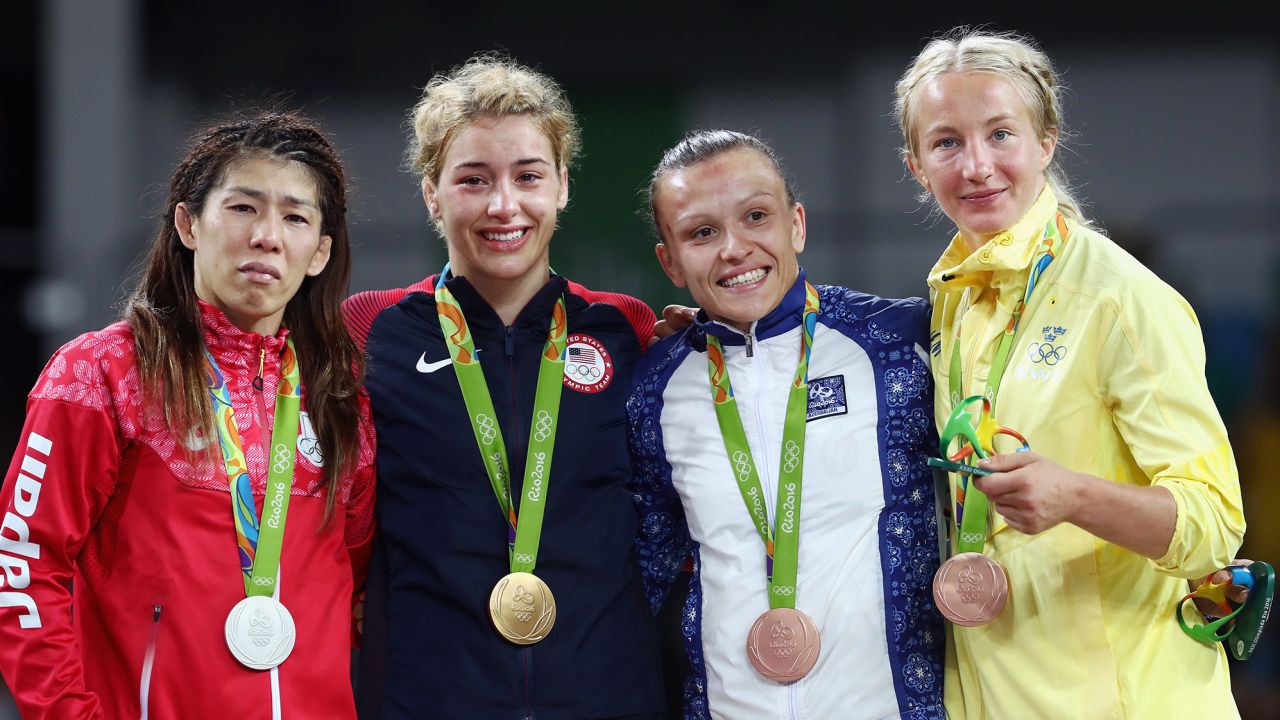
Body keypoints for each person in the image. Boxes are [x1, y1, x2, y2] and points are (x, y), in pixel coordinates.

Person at [894, 28, 1246, 718]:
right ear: (915, 165)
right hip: (999, 693)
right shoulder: (951, 302)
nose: (976, 166)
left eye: (1001, 134)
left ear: (1045, 140)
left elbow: (1214, 524)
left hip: (1126, 701)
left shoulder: (1118, 298)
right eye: (946, 143)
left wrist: (1077, 497)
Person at [0, 110, 376, 718]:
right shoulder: (103, 373)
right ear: (188, 224)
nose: (267, 236)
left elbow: (363, 590)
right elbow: (21, 561)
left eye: (296, 217)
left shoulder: (340, 397)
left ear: (318, 253)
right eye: (243, 207)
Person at [345, 56, 666, 719]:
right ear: (432, 193)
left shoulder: (629, 330)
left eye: (528, 176)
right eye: (473, 180)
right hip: (428, 699)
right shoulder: (368, 331)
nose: (504, 205)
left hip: (609, 697)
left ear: (563, 185)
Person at [629, 129, 945, 719]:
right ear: (669, 260)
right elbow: (641, 573)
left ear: (795, 225)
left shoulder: (899, 344)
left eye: (755, 216)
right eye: (702, 232)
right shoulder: (655, 388)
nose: (734, 248)